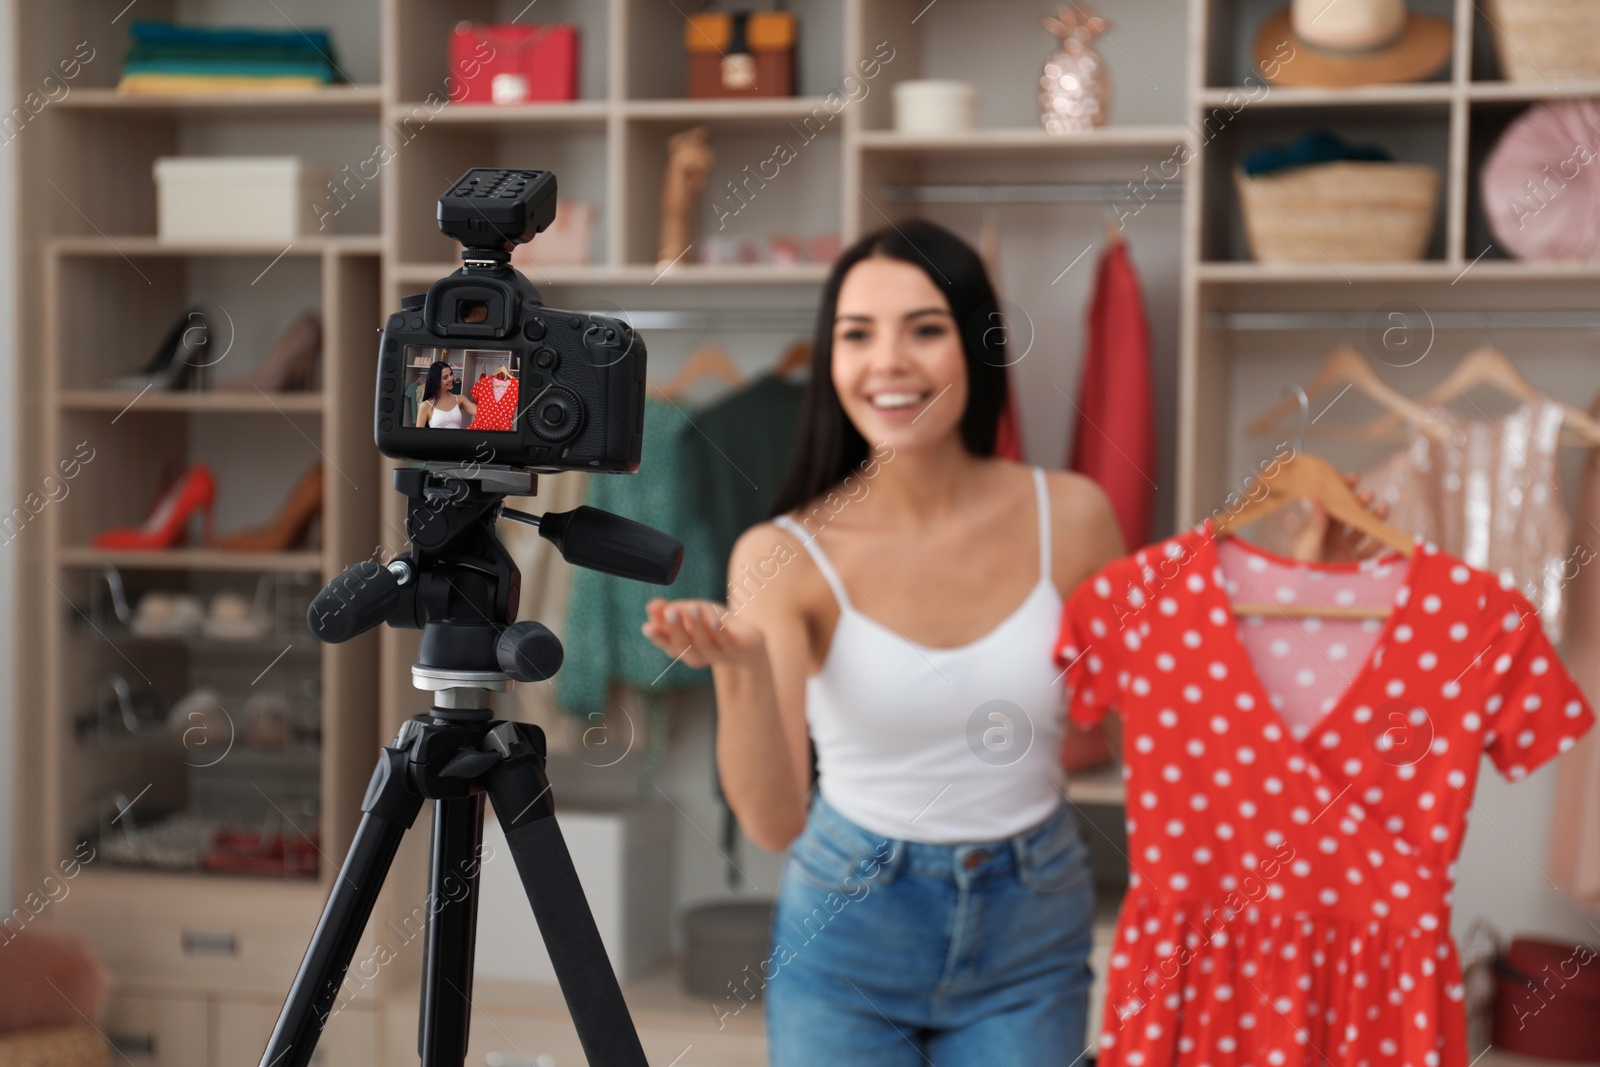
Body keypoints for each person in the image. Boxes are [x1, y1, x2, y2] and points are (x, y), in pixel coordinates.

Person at [641, 219, 1121, 1064]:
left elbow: (1123, 729)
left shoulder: (1074, 517)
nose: (889, 362)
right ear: (829, 360)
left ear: (977, 346)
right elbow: (773, 819)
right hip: (848, 929)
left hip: (1032, 923)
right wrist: (742, 671)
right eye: (857, 334)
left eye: (924, 330)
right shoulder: (782, 554)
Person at [415, 360, 474, 429]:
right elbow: (418, 436)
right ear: (436, 381)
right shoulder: (425, 406)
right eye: (445, 377)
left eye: (451, 374)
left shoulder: (460, 399)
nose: (450, 379)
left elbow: (482, 413)